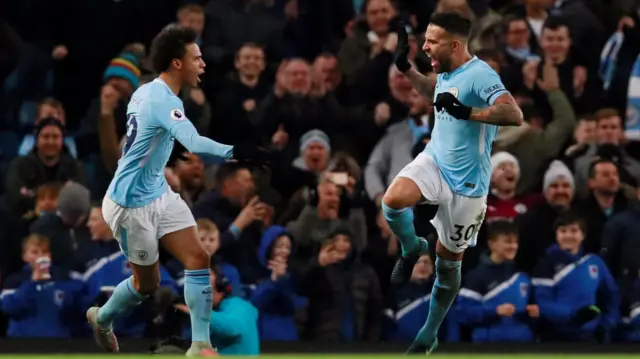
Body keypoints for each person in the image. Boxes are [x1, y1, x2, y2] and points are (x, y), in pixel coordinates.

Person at [85, 25, 271, 357]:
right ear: (176, 63)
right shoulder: (163, 99)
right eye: (196, 58)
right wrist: (239, 151)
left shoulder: (145, 91)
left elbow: (141, 137)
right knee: (148, 285)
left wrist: (163, 149)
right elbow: (196, 142)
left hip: (157, 190)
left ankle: (200, 343)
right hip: (129, 205)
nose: (203, 64)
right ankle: (102, 317)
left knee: (198, 257)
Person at [382, 12, 523, 354]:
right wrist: (407, 69)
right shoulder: (447, 72)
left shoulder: (480, 74)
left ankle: (429, 334)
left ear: (456, 44)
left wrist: (467, 112)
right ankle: (413, 246)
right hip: (435, 160)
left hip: (469, 185)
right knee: (393, 201)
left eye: (432, 42)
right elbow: (437, 91)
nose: (426, 46)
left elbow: (513, 114)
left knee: (448, 268)